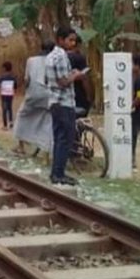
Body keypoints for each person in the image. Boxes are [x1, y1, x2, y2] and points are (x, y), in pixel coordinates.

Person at [45, 27, 84, 186]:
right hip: (64, 102)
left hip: (54, 102)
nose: (73, 43)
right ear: (60, 39)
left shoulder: (50, 56)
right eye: (70, 40)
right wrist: (75, 75)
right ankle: (59, 174)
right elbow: (62, 82)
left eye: (74, 40)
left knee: (59, 138)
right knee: (65, 139)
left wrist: (71, 74)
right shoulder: (61, 56)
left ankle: (56, 172)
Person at [14, 41, 54, 155]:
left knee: (22, 116)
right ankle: (47, 152)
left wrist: (26, 91)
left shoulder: (31, 60)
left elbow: (27, 80)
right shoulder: (53, 61)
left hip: (34, 94)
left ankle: (21, 146)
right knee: (47, 119)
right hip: (49, 95)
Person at [68, 36, 93, 117]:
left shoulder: (60, 57)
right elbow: (84, 78)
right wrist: (89, 96)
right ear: (79, 45)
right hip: (79, 96)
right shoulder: (79, 58)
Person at [0, 61, 18, 130]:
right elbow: (15, 86)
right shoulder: (13, 77)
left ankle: (5, 125)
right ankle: (11, 122)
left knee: (4, 109)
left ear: (4, 68)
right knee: (10, 108)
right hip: (10, 94)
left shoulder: (2, 77)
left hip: (4, 94)